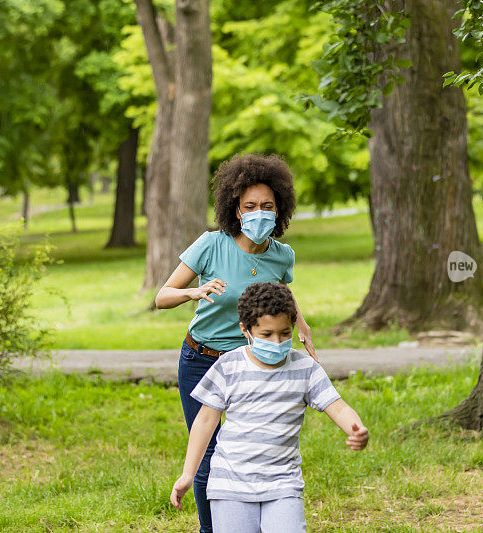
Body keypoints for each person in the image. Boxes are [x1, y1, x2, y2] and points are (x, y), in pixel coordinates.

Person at [154, 154, 317, 533]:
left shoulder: (282, 255)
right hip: (202, 358)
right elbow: (162, 296)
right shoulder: (212, 244)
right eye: (250, 206)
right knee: (208, 455)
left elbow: (282, 293)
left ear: (280, 210)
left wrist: (302, 324)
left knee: (252, 450)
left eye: (267, 206)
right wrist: (196, 292)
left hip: (252, 363)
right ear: (235, 208)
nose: (259, 213)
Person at [169, 282, 369, 533]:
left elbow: (338, 407)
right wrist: (188, 474)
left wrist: (356, 429)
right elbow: (205, 421)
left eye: (285, 333)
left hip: (283, 485)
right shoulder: (228, 366)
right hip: (230, 486)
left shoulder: (305, 368)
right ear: (246, 330)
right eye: (266, 334)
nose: (277, 341)